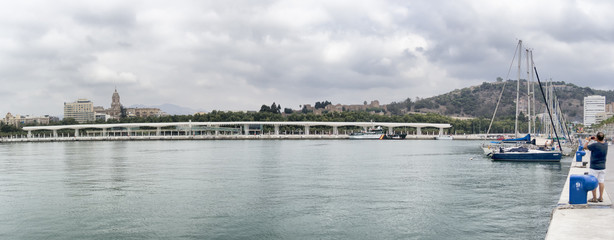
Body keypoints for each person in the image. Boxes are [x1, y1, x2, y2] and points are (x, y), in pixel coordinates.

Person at [584, 132, 608, 203]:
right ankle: (601, 197)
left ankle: (594, 198)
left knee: (593, 182)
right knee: (601, 182)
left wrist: (588, 140)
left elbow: (584, 147)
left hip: (594, 167)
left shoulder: (594, 145)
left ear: (597, 138)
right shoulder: (606, 145)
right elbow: (600, 142)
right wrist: (597, 139)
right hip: (602, 167)